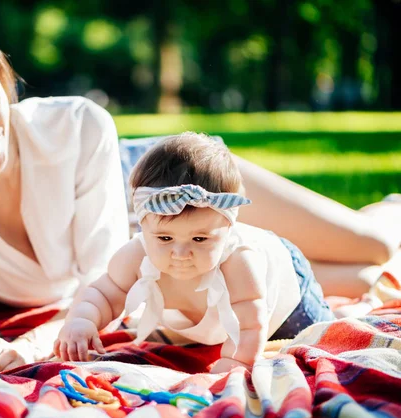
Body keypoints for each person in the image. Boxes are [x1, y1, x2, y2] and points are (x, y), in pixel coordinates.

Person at [0, 3, 400, 372]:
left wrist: (32, 345)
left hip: (171, 181)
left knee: (374, 246)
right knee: (363, 278)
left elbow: (94, 281)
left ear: (4, 83)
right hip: (166, 260)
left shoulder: (77, 124)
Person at [53, 133, 335, 372]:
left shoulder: (239, 262)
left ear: (227, 228)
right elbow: (102, 294)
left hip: (286, 295)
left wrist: (232, 364)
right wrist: (81, 321)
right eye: (164, 237)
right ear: (143, 226)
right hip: (204, 322)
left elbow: (250, 325)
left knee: (318, 335)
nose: (180, 252)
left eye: (200, 238)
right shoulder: (136, 255)